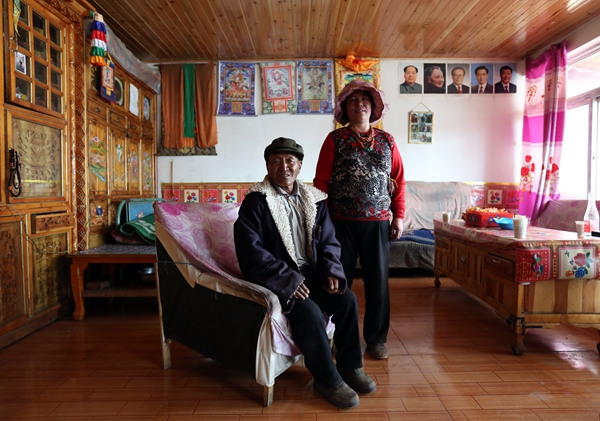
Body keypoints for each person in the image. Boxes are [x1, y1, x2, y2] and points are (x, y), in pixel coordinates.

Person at [234, 137, 376, 409]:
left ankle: (349, 367)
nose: (283, 167)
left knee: (346, 301)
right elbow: (250, 250)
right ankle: (327, 380)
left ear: (300, 166)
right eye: (276, 161)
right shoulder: (256, 201)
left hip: (310, 273)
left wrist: (332, 271)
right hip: (277, 277)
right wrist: (287, 280)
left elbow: (329, 242)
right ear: (267, 166)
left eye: (290, 161)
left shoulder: (315, 199)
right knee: (309, 312)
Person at [314, 79, 406, 360]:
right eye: (353, 101)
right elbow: (320, 183)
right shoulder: (335, 140)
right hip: (339, 223)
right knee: (337, 282)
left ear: (373, 106)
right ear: (345, 108)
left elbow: (399, 181)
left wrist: (399, 216)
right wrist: (319, 222)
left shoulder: (388, 141)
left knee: (378, 283)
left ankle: (377, 339)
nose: (359, 104)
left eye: (364, 99)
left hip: (377, 223)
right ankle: (338, 337)